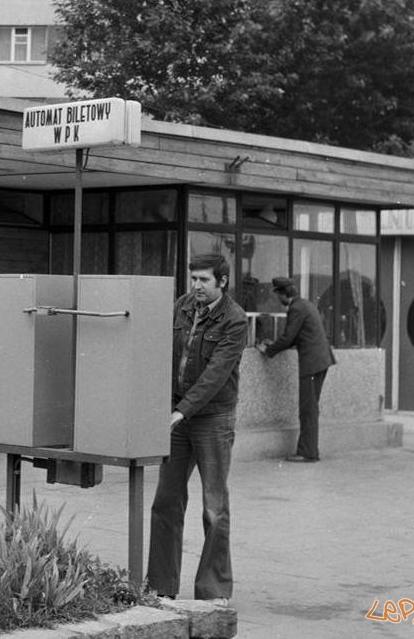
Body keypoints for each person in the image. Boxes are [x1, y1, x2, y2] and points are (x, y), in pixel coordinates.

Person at [147, 253, 247, 605]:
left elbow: (216, 374)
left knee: (214, 507)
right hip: (176, 415)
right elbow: (163, 352)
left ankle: (214, 590)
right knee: (166, 501)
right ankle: (161, 586)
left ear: (223, 281)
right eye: (193, 279)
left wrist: (181, 411)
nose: (196, 286)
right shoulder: (183, 306)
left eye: (204, 280)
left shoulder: (235, 319)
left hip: (213, 420)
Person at [256, 276, 336, 463]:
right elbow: (297, 336)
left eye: (278, 295)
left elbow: (288, 337)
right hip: (320, 361)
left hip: (312, 363)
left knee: (308, 409)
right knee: (310, 408)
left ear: (283, 294)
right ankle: (309, 450)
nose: (278, 300)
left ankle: (308, 452)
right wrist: (274, 345)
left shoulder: (296, 308)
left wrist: (268, 350)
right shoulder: (305, 304)